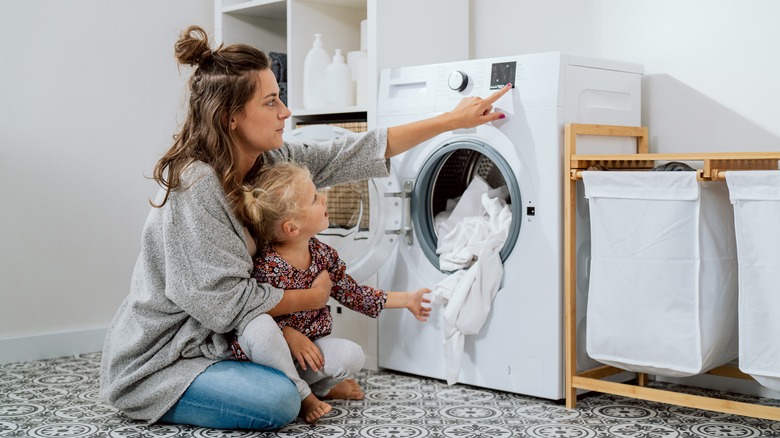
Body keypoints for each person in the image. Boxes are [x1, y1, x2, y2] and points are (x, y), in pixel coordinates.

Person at [99, 24, 511, 431]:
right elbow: (224, 303)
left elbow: (354, 151)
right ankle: (288, 387)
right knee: (277, 403)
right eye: (271, 102)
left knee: (331, 361)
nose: (286, 112)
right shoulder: (196, 186)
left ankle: (293, 381)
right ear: (231, 118)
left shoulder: (268, 162)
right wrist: (309, 298)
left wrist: (451, 121)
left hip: (234, 339)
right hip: (166, 358)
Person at [233, 162, 431, 423]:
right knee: (262, 332)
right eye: (314, 198)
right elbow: (253, 314)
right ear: (292, 228)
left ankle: (319, 388)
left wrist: (406, 299)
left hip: (307, 355)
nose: (323, 198)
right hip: (266, 359)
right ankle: (305, 395)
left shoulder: (323, 256)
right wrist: (287, 333)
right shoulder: (267, 266)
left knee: (352, 355)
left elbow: (354, 293)